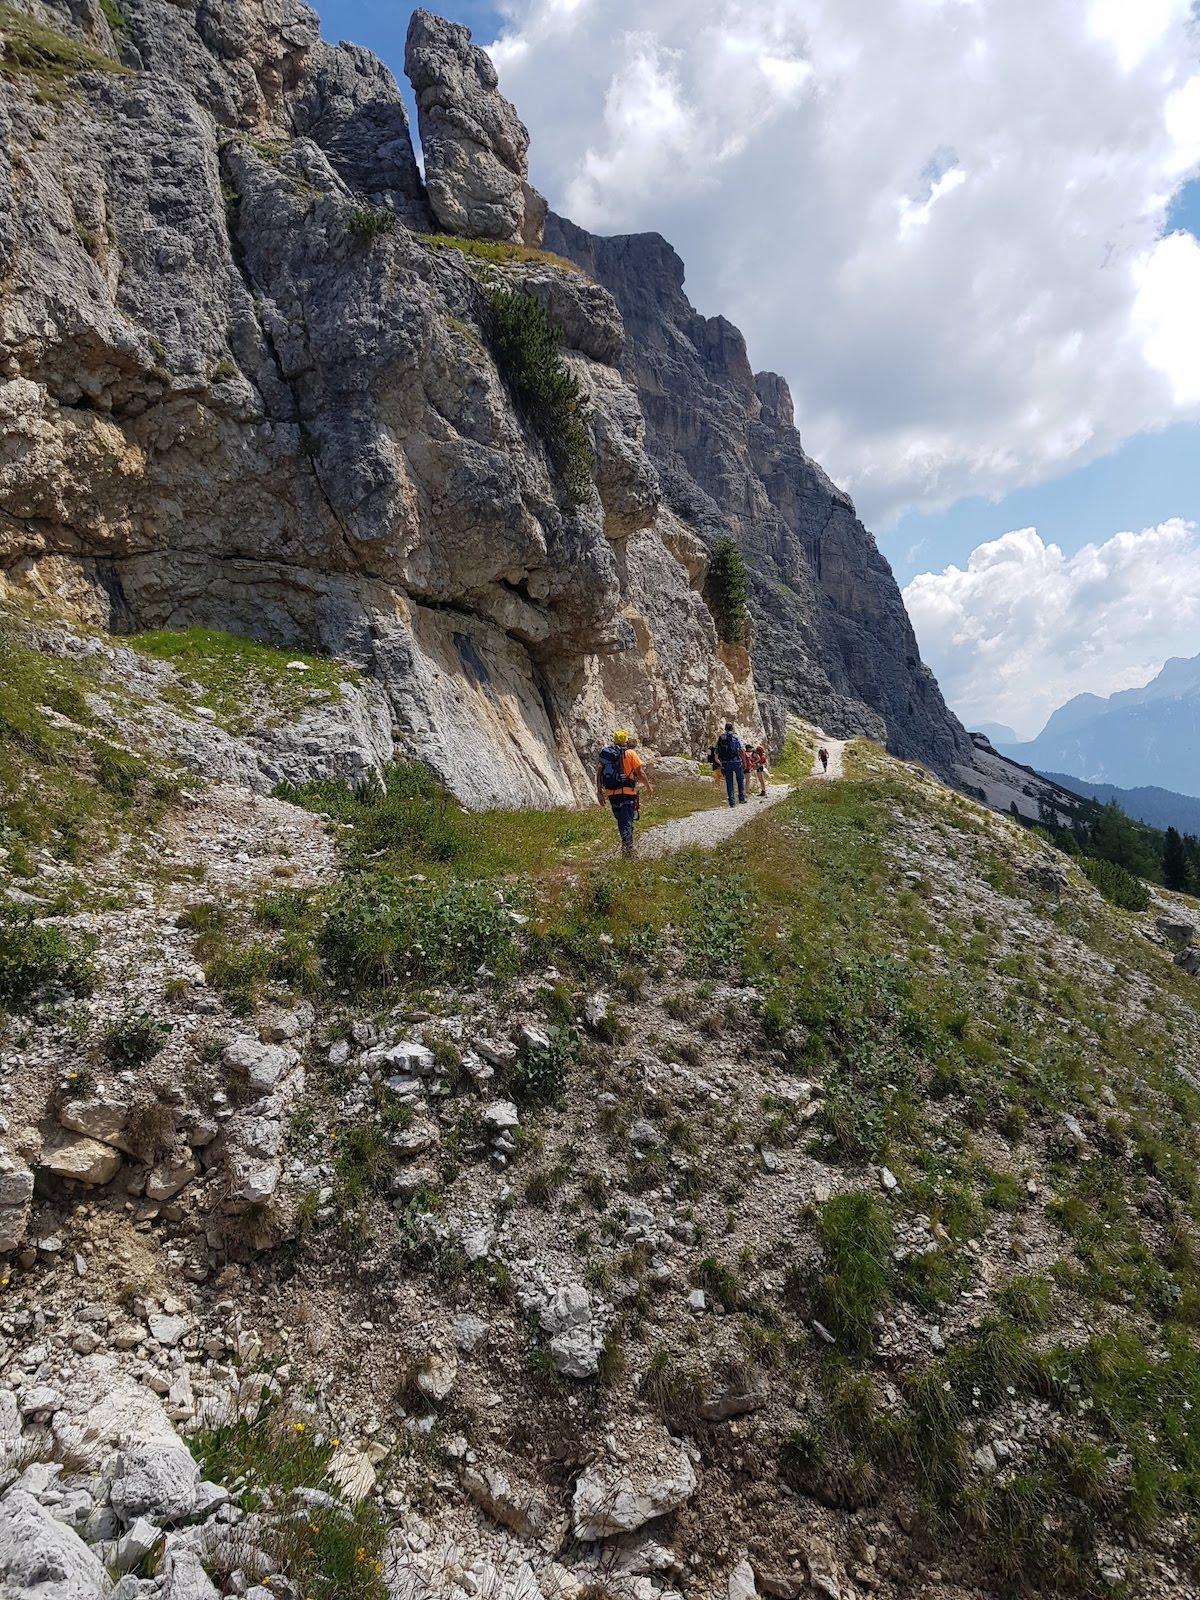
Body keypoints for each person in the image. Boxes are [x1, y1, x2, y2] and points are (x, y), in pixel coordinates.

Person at [596, 729, 654, 857]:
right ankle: (628, 851)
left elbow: (599, 773)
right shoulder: (631, 753)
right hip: (627, 793)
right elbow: (640, 773)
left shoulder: (607, 755)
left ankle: (626, 847)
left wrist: (599, 792)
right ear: (626, 741)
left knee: (621, 821)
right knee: (626, 821)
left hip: (611, 793)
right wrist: (648, 787)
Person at [715, 721, 746, 807]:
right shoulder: (736, 737)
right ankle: (742, 798)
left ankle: (732, 802)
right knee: (740, 779)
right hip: (736, 761)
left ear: (725, 729)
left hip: (725, 763)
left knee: (729, 782)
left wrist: (718, 761)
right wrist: (744, 761)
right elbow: (741, 750)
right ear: (732, 728)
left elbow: (716, 750)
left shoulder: (721, 738)